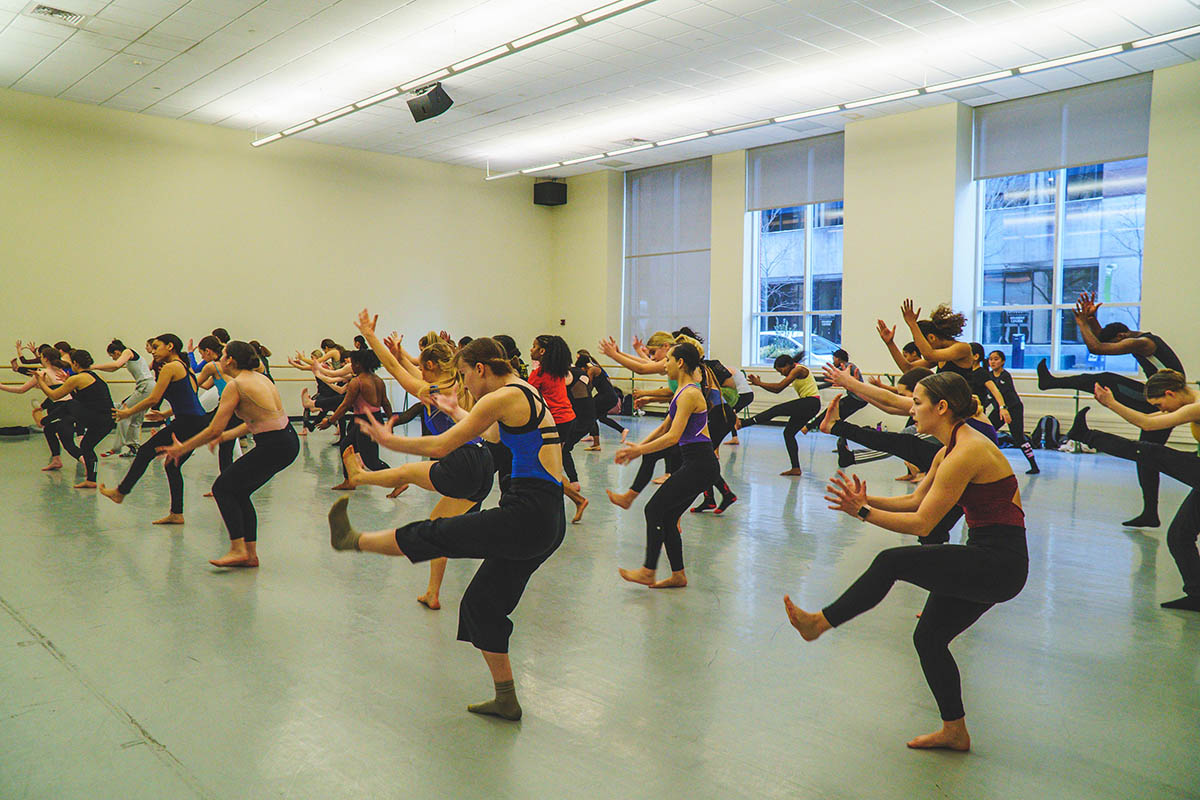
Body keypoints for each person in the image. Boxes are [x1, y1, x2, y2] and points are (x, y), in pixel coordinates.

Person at [784, 372, 1028, 752]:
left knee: (889, 562)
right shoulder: (947, 449)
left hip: (999, 562)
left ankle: (819, 623)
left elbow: (922, 523)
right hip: (991, 559)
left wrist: (863, 513)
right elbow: (915, 501)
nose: (911, 409)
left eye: (917, 403)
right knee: (929, 638)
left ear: (941, 408)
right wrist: (864, 502)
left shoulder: (967, 451)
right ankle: (955, 731)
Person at [328, 337, 566, 721]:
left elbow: (442, 446)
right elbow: (489, 438)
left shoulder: (501, 396)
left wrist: (390, 441)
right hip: (546, 518)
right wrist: (457, 411)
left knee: (438, 532)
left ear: (481, 369)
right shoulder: (523, 393)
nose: (465, 383)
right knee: (481, 604)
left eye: (466, 375)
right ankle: (506, 699)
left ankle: (353, 539)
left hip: (527, 514)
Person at [341, 309, 495, 610]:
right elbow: (408, 370)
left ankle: (360, 476)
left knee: (409, 472)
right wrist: (399, 353)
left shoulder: (435, 389)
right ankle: (432, 593)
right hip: (483, 464)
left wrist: (371, 337)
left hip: (462, 463)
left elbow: (398, 372)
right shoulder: (454, 383)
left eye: (423, 367)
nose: (419, 372)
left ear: (432, 365)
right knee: (439, 526)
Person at [1037, 292, 1184, 527]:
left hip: (1164, 398)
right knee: (1146, 454)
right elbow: (1104, 339)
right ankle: (1150, 514)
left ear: (1123, 336)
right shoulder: (1135, 339)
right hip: (1161, 396)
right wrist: (1094, 320)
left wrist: (1082, 323)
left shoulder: (1144, 343)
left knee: (1106, 379)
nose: (1118, 348)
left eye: (1118, 343)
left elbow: (1098, 348)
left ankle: (1050, 383)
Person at [1066, 370, 1200, 611]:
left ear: (1169, 392)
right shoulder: (1189, 404)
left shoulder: (1196, 406)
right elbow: (1148, 418)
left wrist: (1111, 403)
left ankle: (1087, 435)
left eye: (1160, 404)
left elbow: (1147, 423)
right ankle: (1198, 594)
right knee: (1179, 536)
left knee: (1150, 452)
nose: (1164, 410)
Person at [158, 341, 299, 568]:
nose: (219, 358)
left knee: (222, 488)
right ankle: (249, 554)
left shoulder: (237, 385)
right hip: (286, 440)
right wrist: (224, 437)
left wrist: (181, 448)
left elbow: (213, 428)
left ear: (230, 360)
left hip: (274, 445)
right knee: (239, 492)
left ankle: (238, 549)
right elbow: (259, 421)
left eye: (222, 354)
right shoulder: (260, 378)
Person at [615, 342, 718, 588]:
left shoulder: (691, 393)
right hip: (697, 463)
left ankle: (648, 571)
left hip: (700, 464)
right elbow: (663, 428)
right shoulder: (682, 392)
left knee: (653, 510)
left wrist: (640, 450)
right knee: (668, 517)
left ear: (680, 362)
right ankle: (678, 575)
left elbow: (672, 437)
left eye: (668, 360)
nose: (665, 365)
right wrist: (637, 448)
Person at [100, 334, 208, 524]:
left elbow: (152, 399)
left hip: (187, 423)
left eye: (157, 347)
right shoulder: (184, 367)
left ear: (170, 346)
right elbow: (190, 397)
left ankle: (120, 492)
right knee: (171, 465)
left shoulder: (170, 367)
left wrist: (128, 412)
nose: (154, 351)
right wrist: (165, 415)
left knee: (145, 452)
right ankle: (177, 513)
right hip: (196, 421)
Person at [528, 335, 588, 521]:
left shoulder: (539, 375)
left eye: (534, 346)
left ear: (542, 351)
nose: (531, 350)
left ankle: (577, 499)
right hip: (567, 420)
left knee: (546, 465)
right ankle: (571, 497)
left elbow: (524, 394)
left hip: (556, 422)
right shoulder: (557, 371)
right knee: (549, 463)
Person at [35, 349, 114, 489]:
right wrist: (70, 386)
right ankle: (91, 480)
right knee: (86, 447)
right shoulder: (95, 376)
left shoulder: (77, 378)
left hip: (97, 418)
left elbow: (54, 396)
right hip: (107, 421)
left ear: (76, 363)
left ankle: (43, 421)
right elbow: (84, 398)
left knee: (70, 404)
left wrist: (40, 381)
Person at [316, 350, 392, 490]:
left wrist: (330, 421)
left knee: (371, 461)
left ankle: (398, 481)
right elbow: (386, 403)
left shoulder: (356, 382)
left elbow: (345, 406)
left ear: (359, 364)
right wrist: (390, 423)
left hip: (365, 422)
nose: (351, 366)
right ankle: (349, 481)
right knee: (345, 445)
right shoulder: (378, 380)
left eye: (353, 363)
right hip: (374, 419)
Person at [739, 352, 820, 477]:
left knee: (776, 410)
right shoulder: (796, 369)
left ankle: (743, 423)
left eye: (781, 370)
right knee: (788, 434)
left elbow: (778, 388)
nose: (781, 373)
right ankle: (796, 468)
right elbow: (777, 389)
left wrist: (759, 383)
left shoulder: (798, 370)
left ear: (788, 364)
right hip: (810, 405)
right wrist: (760, 384)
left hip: (810, 402)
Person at [1, 345, 72, 471]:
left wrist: (1, 386)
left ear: (44, 358)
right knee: (50, 430)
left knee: (64, 438)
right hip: (71, 404)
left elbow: (21, 390)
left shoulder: (42, 372)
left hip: (58, 405)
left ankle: (83, 461)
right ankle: (57, 459)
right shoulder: (62, 371)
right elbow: (49, 387)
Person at [92, 339, 155, 458]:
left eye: (112, 356)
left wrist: (93, 366)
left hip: (145, 386)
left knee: (122, 412)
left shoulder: (128, 352)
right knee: (136, 419)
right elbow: (113, 368)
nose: (113, 359)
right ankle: (134, 447)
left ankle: (117, 448)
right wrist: (94, 369)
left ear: (117, 352)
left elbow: (116, 365)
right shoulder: (128, 357)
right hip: (146, 387)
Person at [984, 350, 1038, 474]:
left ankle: (1033, 465)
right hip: (999, 410)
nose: (993, 361)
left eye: (996, 359)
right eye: (991, 359)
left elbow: (1000, 393)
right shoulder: (988, 376)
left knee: (1018, 437)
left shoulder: (1005, 376)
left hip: (1013, 409)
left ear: (1002, 361)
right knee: (987, 432)